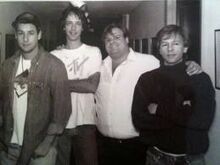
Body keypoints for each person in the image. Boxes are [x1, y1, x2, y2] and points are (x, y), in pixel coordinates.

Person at [95, 23, 202, 165]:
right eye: (108, 40)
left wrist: (190, 64)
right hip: (104, 143)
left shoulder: (147, 61)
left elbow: (171, 66)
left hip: (135, 145)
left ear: (127, 39)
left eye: (117, 37)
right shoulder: (99, 66)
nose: (112, 42)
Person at [132, 24, 215, 165]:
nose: (170, 49)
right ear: (159, 49)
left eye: (176, 43)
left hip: (191, 159)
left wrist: (159, 110)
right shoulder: (147, 79)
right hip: (156, 157)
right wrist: (184, 112)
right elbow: (139, 120)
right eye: (165, 44)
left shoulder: (199, 78)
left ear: (185, 47)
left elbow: (202, 121)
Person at [0, 12, 71, 165]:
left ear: (39, 35)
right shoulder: (6, 66)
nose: (25, 39)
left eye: (30, 33)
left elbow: (62, 111)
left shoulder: (54, 66)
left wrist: (46, 145)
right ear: (16, 36)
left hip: (39, 149)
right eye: (21, 33)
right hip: (9, 147)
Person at [50, 5, 102, 165]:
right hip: (60, 123)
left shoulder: (93, 51)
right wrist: (80, 83)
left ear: (83, 27)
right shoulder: (53, 55)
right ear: (63, 27)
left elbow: (91, 86)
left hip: (86, 122)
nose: (73, 28)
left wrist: (60, 83)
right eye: (69, 23)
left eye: (78, 23)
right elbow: (49, 90)